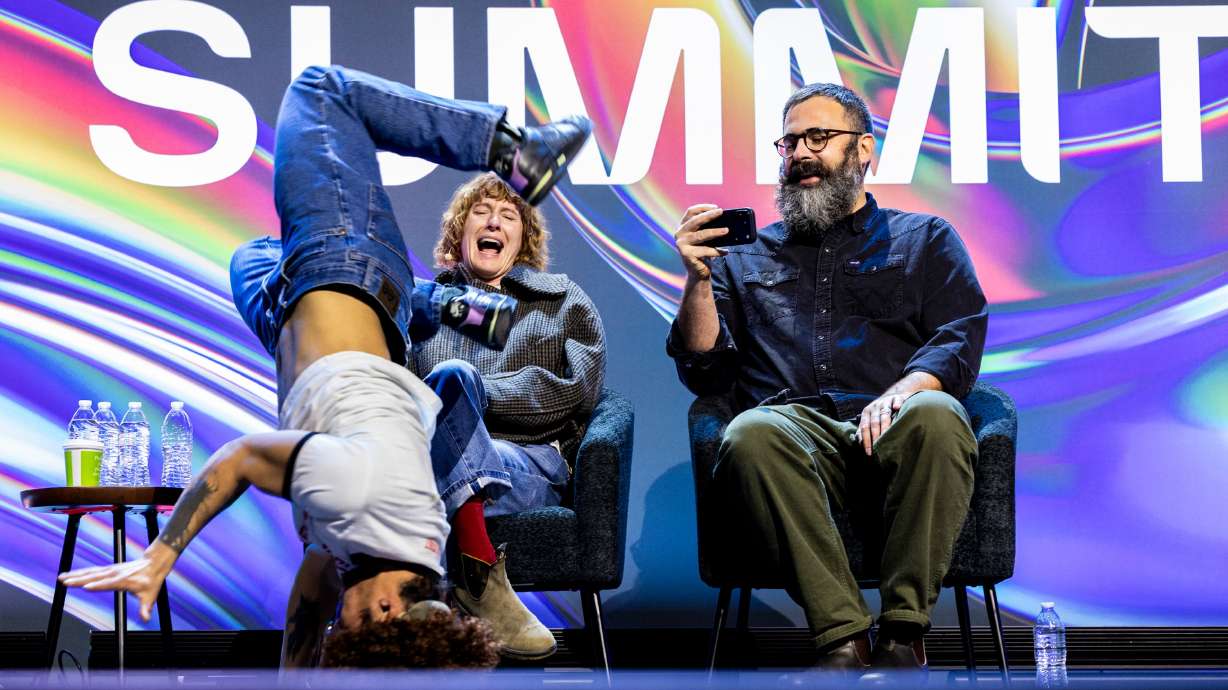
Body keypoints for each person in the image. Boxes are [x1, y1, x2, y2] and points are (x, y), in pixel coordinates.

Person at [58, 64, 592, 667]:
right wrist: (161, 557)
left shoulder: (398, 551)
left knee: (250, 259)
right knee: (320, 90)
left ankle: (442, 303)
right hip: (343, 264)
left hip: (313, 309)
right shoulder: (356, 491)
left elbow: (315, 590)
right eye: (356, 620)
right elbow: (239, 461)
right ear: (391, 609)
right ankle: (516, 152)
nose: (345, 615)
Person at [667, 83, 987, 676]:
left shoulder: (924, 240)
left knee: (939, 416)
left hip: (895, 423)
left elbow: (961, 336)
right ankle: (841, 640)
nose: (801, 153)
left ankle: (903, 635)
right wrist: (696, 281)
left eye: (819, 137)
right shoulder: (743, 258)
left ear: (864, 149)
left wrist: (904, 391)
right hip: (794, 434)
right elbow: (704, 371)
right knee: (748, 433)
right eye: (789, 142)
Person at [415, 172, 606, 658]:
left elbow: (578, 390)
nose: (493, 221)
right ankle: (478, 580)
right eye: (480, 212)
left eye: (507, 215)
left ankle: (419, 594)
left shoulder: (560, 300)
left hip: (527, 459)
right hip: (427, 453)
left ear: (523, 238)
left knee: (456, 379)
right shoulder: (424, 306)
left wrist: (480, 393)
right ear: (459, 232)